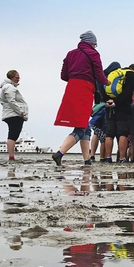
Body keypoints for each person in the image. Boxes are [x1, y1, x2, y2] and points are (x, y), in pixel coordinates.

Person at [52, 31, 109, 166]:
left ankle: (87, 160)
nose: (96, 47)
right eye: (95, 44)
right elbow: (99, 74)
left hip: (71, 87)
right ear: (92, 43)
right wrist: (107, 82)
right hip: (85, 89)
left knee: (84, 124)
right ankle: (60, 153)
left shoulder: (70, 54)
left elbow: (63, 75)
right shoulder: (93, 54)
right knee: (81, 127)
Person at [104, 64, 134, 163]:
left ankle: (108, 157)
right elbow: (128, 92)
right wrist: (117, 102)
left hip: (109, 105)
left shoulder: (115, 73)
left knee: (109, 133)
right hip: (123, 107)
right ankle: (122, 158)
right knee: (123, 133)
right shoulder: (132, 76)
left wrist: (107, 101)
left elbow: (104, 86)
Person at [0, 69, 28, 161]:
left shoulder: (9, 87)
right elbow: (11, 101)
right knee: (13, 135)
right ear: (11, 77)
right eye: (17, 77)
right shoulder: (9, 87)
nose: (18, 79)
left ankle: (11, 156)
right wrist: (20, 112)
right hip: (13, 114)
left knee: (13, 135)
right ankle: (11, 156)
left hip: (12, 114)